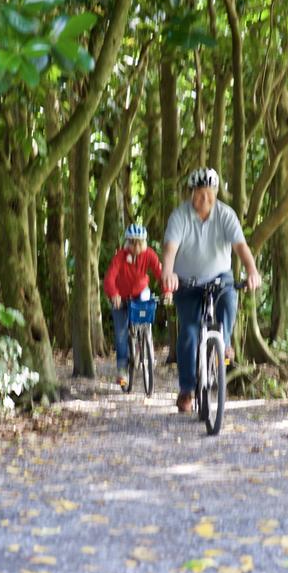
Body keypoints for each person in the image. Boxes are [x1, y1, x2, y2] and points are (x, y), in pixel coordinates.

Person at [160, 167, 262, 413]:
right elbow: (170, 250)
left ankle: (223, 344)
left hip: (219, 277)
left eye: (208, 194)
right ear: (191, 193)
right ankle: (187, 389)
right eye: (198, 193)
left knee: (229, 299)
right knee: (189, 332)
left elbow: (241, 247)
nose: (203, 199)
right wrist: (168, 274)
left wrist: (252, 271)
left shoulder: (226, 215)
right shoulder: (180, 216)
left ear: (215, 194)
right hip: (187, 281)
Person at [104, 223, 165, 388]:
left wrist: (166, 290)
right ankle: (122, 370)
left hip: (140, 293)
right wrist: (114, 294)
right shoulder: (120, 257)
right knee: (121, 334)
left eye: (140, 242)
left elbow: (160, 273)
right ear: (128, 243)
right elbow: (110, 277)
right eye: (132, 242)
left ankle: (144, 340)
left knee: (146, 311)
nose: (136, 246)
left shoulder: (149, 255)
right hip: (121, 298)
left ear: (145, 242)